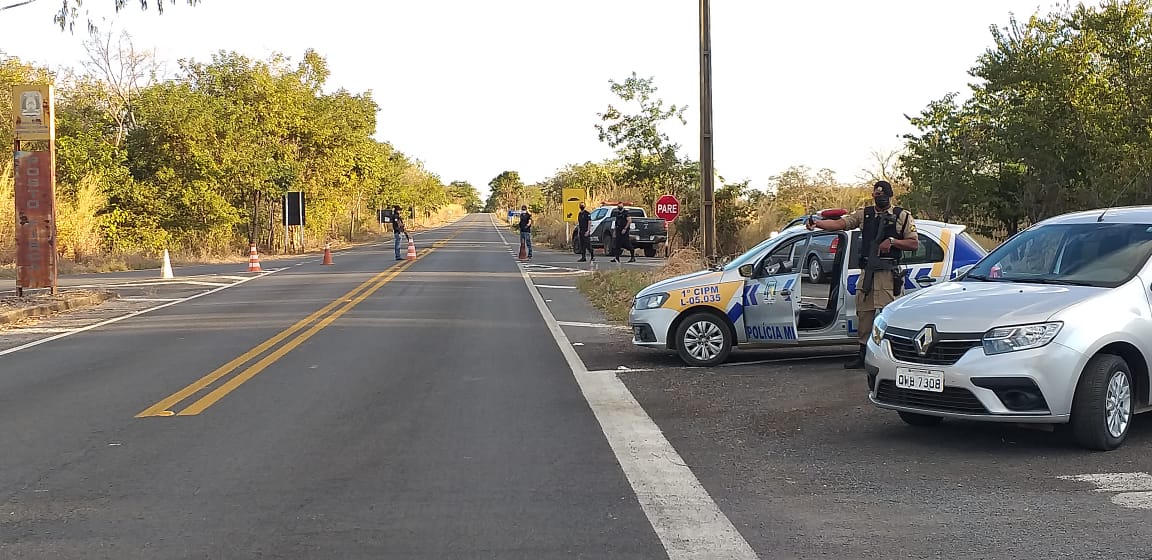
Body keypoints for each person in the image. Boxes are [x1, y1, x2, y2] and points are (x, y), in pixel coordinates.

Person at [807, 180, 918, 369]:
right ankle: (862, 354)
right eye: (876, 195)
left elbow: (913, 243)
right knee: (864, 315)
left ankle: (891, 357)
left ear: (890, 196)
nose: (879, 198)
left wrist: (892, 241)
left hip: (887, 274)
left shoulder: (902, 216)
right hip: (868, 273)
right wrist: (817, 223)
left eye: (883, 195)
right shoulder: (864, 214)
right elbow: (840, 223)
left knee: (889, 315)